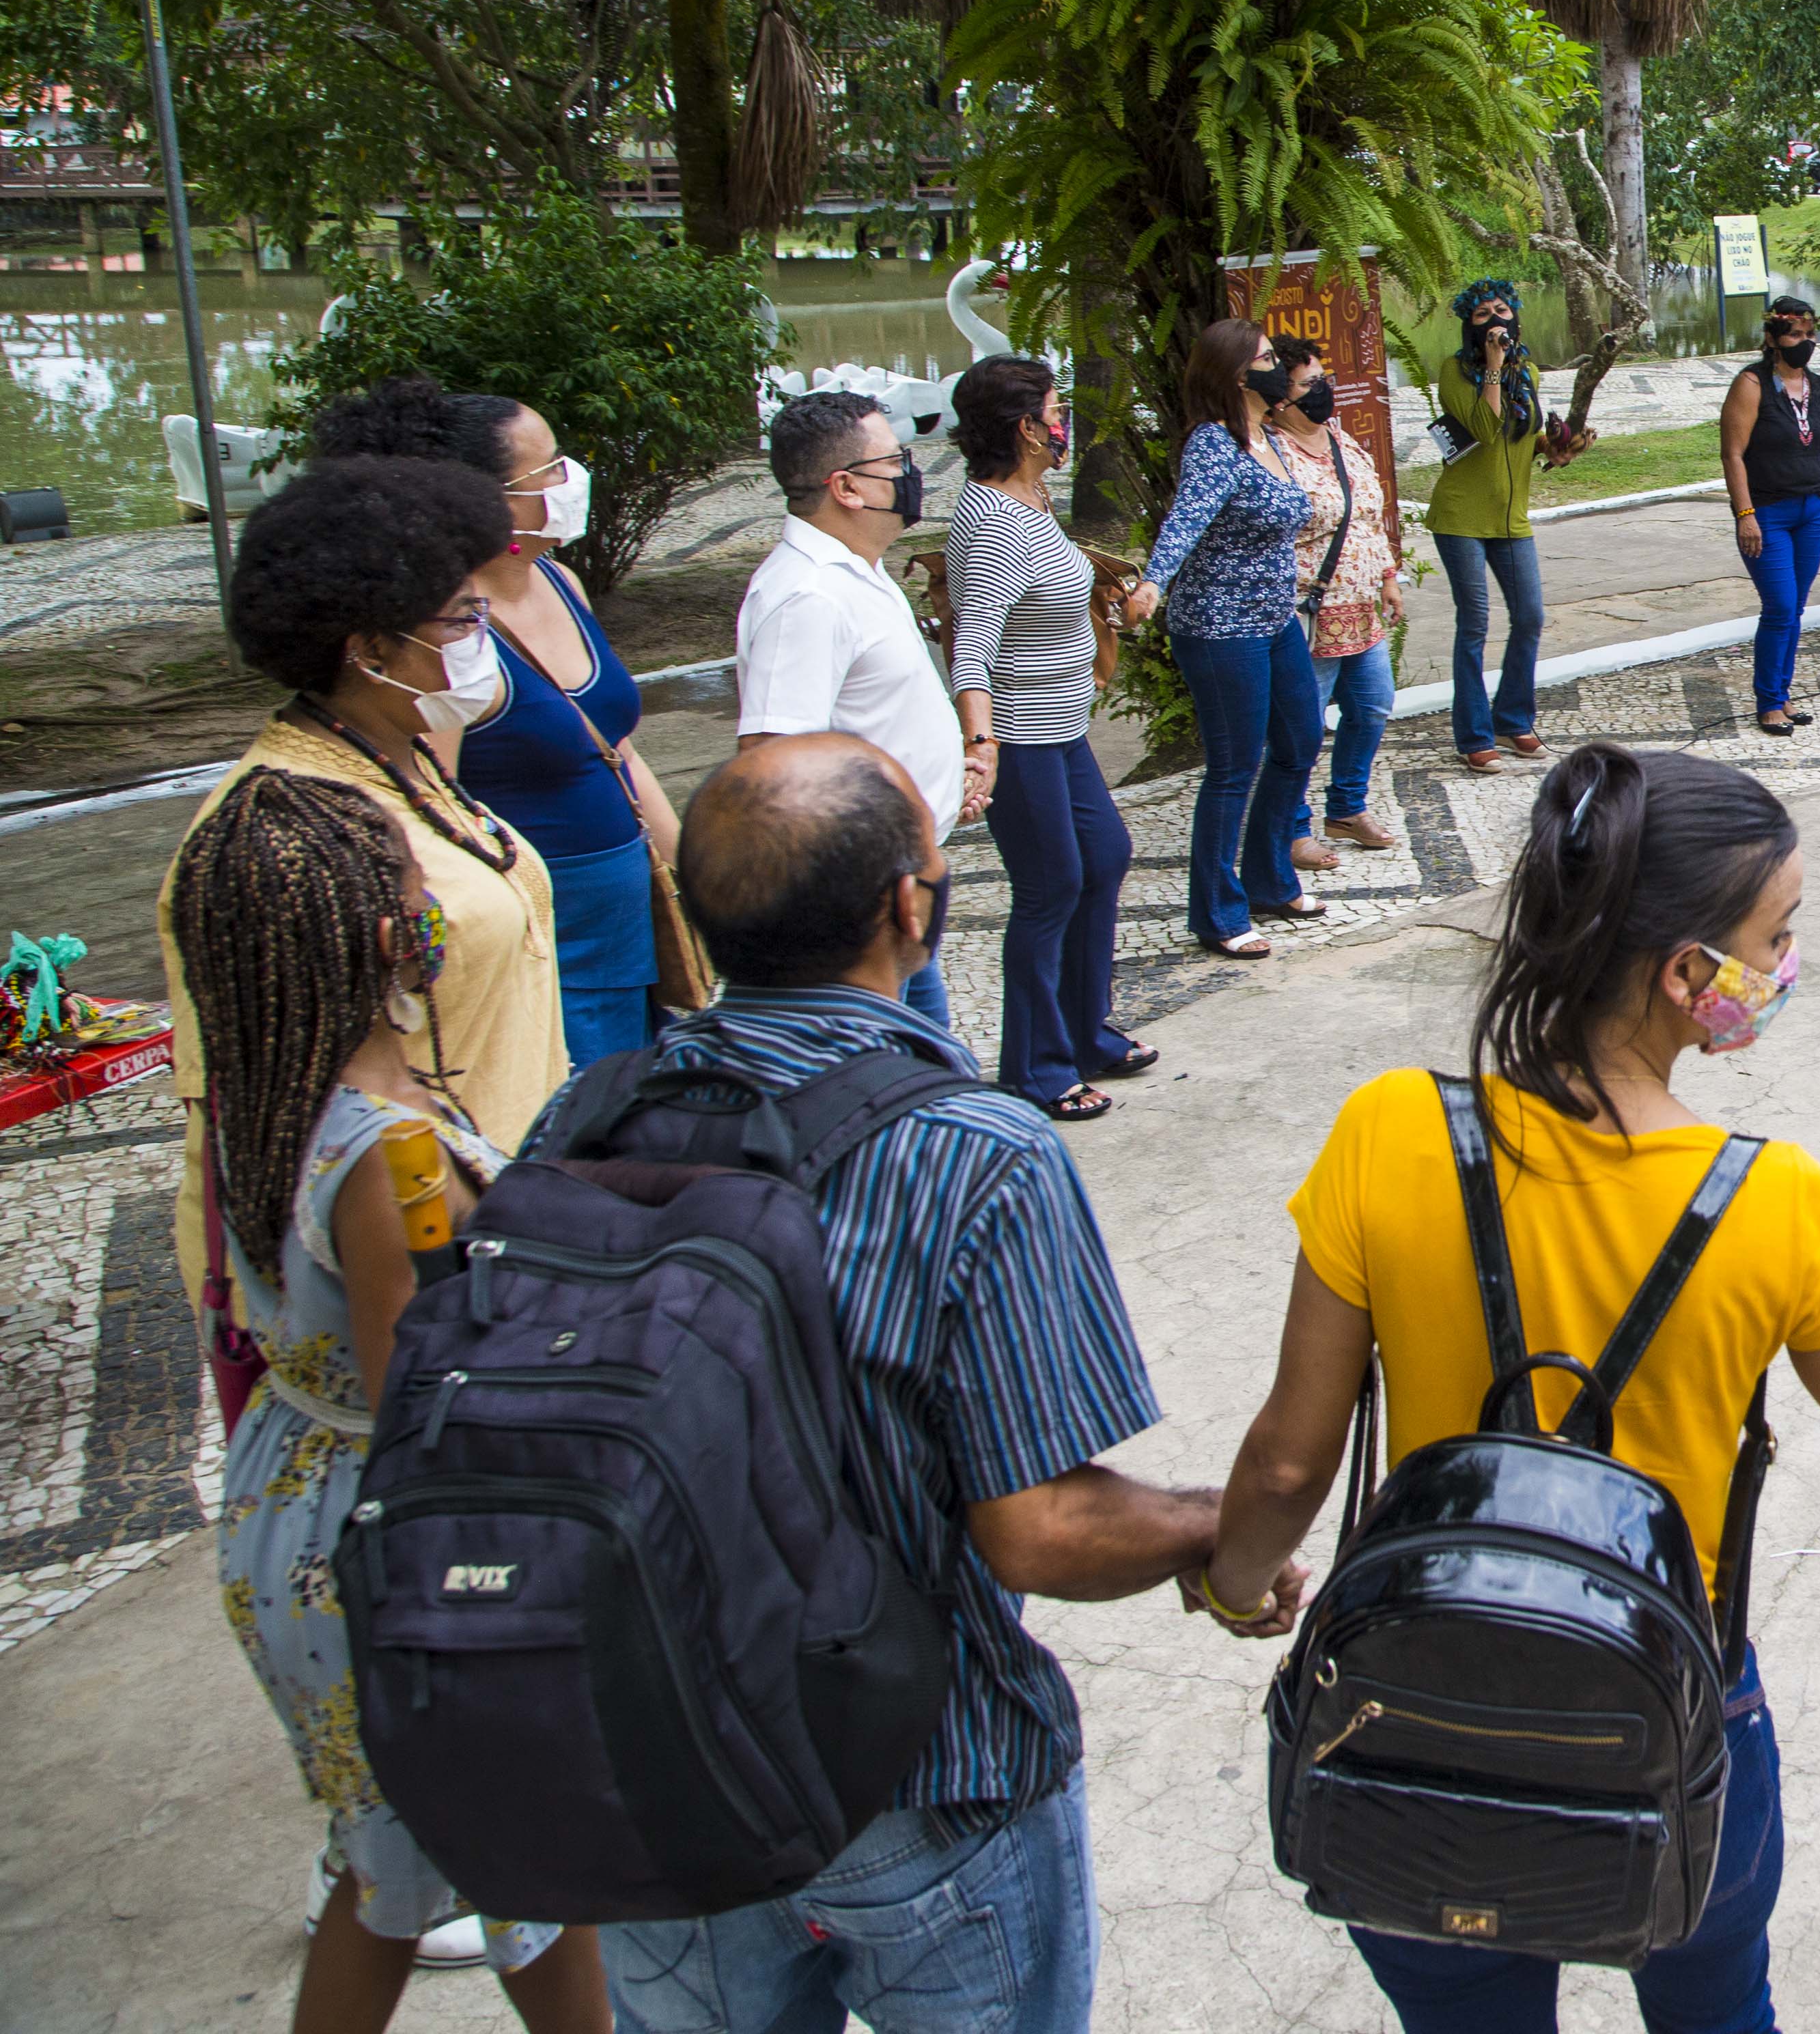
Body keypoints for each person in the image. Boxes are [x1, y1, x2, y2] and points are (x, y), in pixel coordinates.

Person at [1194, 744, 1820, 2031]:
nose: (1782, 971)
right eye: (1775, 940)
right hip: (1675, 1707)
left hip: (1419, 1698)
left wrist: (1233, 1581)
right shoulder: (1776, 1206)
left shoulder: (1388, 1132)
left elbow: (1287, 1461)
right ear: (1684, 975)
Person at [582, 735, 1276, 2033]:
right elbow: (1039, 1532)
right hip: (917, 1774)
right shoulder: (973, 1149)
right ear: (912, 906)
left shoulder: (594, 1109)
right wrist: (1213, 1530)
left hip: (659, 1770)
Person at [171, 770, 612, 2034]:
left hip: (294, 1498)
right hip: (388, 1545)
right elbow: (424, 1407)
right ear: (388, 938)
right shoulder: (384, 1153)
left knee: (402, 1871)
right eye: (421, 888)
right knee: (490, 1855)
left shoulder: (271, 1096)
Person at [164, 456, 568, 1171]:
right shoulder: (280, 837)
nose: (485, 637)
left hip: (515, 1195)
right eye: (463, 620)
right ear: (369, 649)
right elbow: (263, 1114)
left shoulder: (410, 760)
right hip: (418, 1236)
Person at [305, 378, 677, 1062]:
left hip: (626, 929)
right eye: (551, 469)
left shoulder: (563, 584)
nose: (573, 480)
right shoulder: (447, 631)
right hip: (541, 942)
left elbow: (614, 744)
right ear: (486, 500)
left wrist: (694, 875)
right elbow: (431, 802)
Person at [947, 354, 1150, 1122]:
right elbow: (974, 643)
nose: (1067, 423)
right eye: (1057, 411)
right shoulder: (996, 523)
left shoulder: (1029, 498)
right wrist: (982, 744)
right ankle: (1035, 1069)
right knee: (1049, 889)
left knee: (1104, 857)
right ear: (1027, 427)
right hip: (1023, 739)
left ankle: (1083, 1030)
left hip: (1064, 729)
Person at [742, 391, 985, 1029]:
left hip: (903, 879)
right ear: (846, 487)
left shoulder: (858, 569)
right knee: (893, 1087)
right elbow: (774, 768)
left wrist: (939, 774)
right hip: (863, 901)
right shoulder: (806, 598)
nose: (912, 475)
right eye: (897, 462)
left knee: (930, 1070)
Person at [1142, 318, 1322, 955]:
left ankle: (1270, 881)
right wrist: (1152, 584)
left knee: (1299, 743)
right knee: (1233, 768)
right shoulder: (1213, 445)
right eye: (1268, 359)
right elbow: (1184, 522)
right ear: (1234, 374)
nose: (1279, 367)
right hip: (1220, 630)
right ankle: (1218, 913)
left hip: (1274, 622)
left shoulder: (1269, 434)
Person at [1252, 333, 1406, 870]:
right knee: (1300, 726)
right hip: (1308, 613)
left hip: (1362, 605)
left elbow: (1367, 515)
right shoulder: (1272, 453)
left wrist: (1388, 574)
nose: (1324, 392)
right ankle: (1291, 828)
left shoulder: (1340, 438)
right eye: (1310, 384)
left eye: (1325, 380)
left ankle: (1346, 807)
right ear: (1280, 398)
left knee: (1372, 705)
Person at [1428, 279, 1591, 773]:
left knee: (1531, 616)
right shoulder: (1454, 372)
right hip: (1461, 518)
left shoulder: (1530, 372)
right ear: (1469, 327)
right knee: (1474, 624)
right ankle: (1473, 736)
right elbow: (1483, 427)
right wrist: (1494, 369)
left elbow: (1523, 435)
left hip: (1511, 518)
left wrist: (1555, 447)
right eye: (1483, 316)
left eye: (1503, 312)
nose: (1495, 322)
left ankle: (1512, 719)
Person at [1719, 292, 1820, 734]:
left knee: (1795, 609)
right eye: (1794, 334)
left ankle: (1783, 694)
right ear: (1772, 338)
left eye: (1810, 335)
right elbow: (1733, 454)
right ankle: (1768, 700)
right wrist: (1744, 512)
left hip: (1812, 510)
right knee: (1780, 606)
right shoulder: (1751, 385)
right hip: (1767, 512)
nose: (1803, 342)